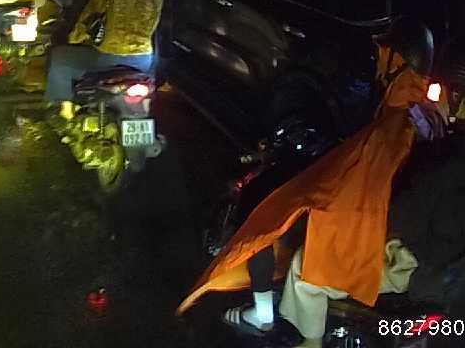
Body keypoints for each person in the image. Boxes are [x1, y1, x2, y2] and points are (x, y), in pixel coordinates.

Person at [178, 17, 449, 346]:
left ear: (397, 62)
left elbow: (354, 198)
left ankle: (306, 338)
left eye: (384, 54)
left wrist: (306, 199)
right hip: (412, 242)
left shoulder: (391, 129)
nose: (378, 60)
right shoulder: (423, 113)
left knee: (305, 268)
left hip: (389, 252)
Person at [46, 0, 164, 120]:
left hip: (110, 55)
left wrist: (76, 36)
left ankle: (65, 114)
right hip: (144, 59)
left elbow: (93, 10)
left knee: (60, 57)